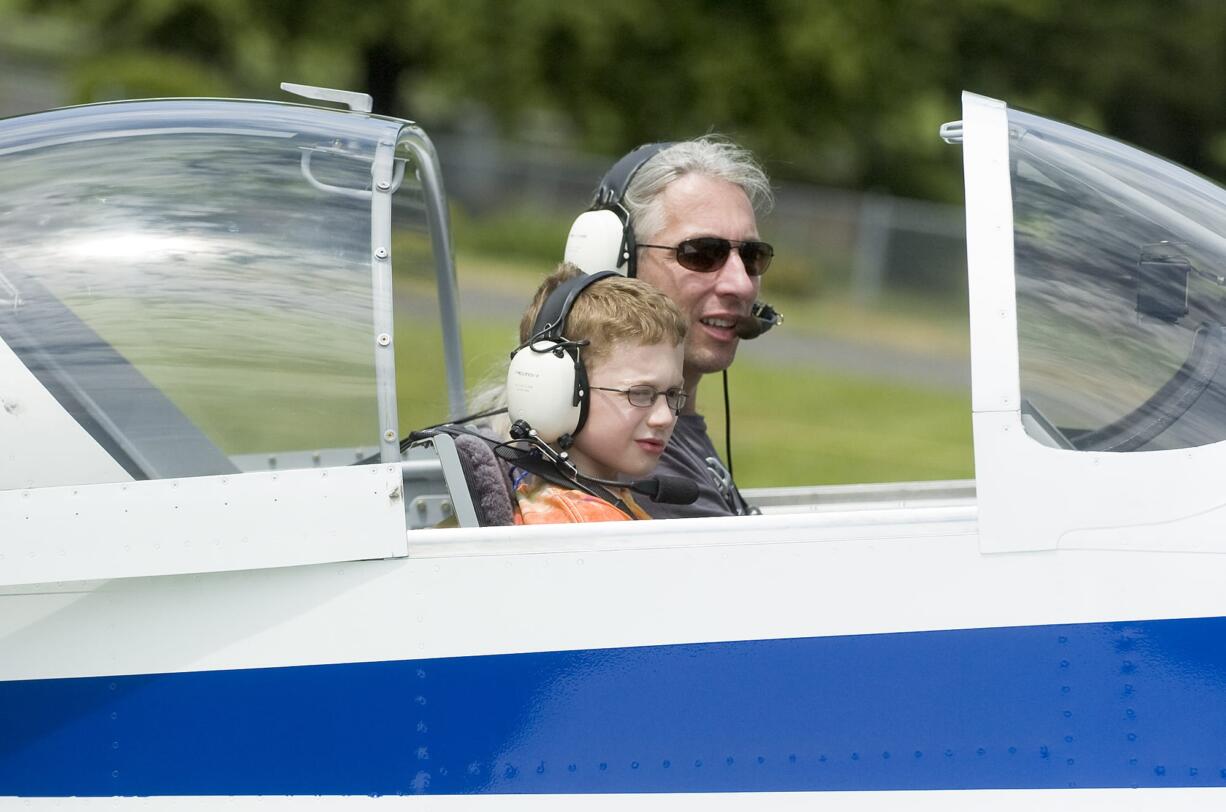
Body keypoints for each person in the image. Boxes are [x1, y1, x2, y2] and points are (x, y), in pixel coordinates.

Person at [565, 137, 775, 518]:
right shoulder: (631, 457)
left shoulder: (657, 433)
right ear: (615, 262)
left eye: (751, 256)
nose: (741, 284)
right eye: (701, 253)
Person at [508, 264, 688, 524]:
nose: (665, 417)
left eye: (672, 394)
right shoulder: (589, 526)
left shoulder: (584, 504)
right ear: (555, 388)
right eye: (639, 393)